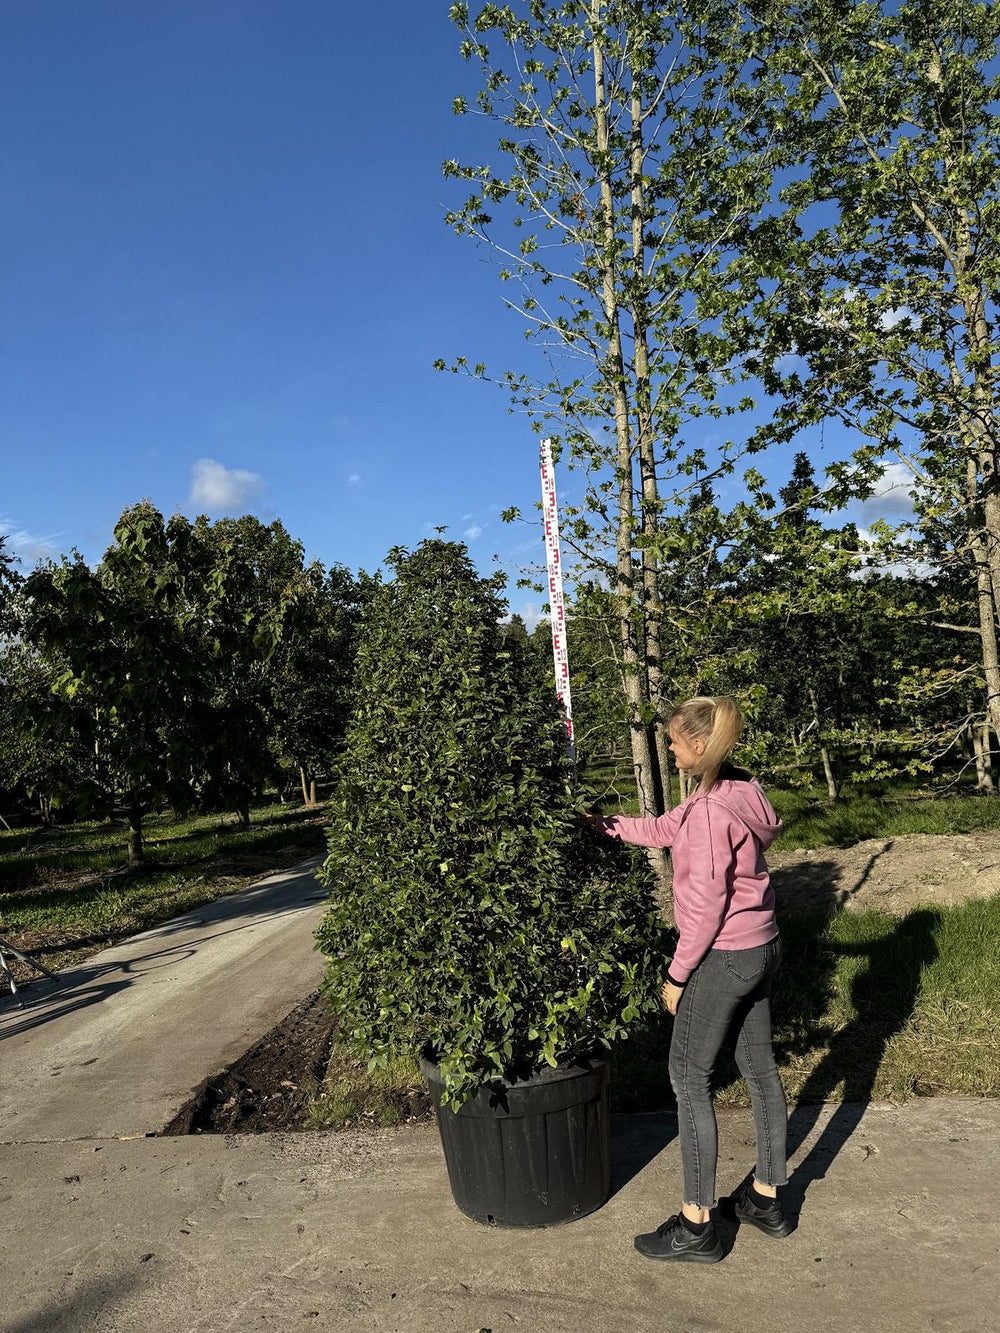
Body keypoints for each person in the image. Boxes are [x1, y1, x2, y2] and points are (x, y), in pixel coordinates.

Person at [588, 695, 789, 1263]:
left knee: (687, 1076)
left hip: (724, 956)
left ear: (698, 744)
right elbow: (662, 828)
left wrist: (677, 976)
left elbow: (703, 910)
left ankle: (697, 1225)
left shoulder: (708, 812)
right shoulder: (737, 792)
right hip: (763, 946)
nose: (670, 747)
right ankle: (767, 1199)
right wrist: (605, 827)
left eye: (674, 740)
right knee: (759, 1069)